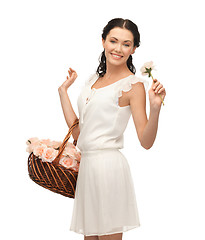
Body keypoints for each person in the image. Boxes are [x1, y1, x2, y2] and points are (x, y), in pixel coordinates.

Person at [58, 18, 166, 240]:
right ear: (103, 41)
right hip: (88, 169)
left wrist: (155, 110)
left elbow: (145, 142)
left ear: (134, 48)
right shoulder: (93, 81)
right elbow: (79, 134)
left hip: (109, 169)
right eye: (113, 41)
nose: (118, 49)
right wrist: (63, 92)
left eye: (126, 44)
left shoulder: (133, 86)